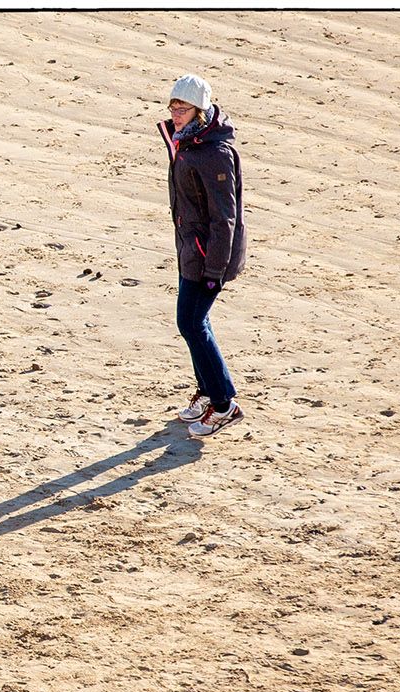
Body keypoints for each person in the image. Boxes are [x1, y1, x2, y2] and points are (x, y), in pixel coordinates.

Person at [157, 73, 248, 438]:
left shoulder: (213, 153)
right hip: (191, 250)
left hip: (209, 256)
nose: (176, 114)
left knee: (191, 324)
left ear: (200, 110)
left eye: (183, 108)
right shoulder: (188, 141)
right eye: (173, 107)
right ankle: (208, 392)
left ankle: (225, 403)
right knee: (193, 324)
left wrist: (214, 269)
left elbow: (225, 217)